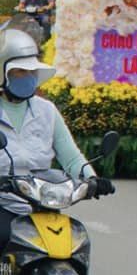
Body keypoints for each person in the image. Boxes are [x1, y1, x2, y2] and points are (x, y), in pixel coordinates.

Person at [0, 30, 111, 230]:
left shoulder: (46, 110)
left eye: (32, 71)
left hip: (43, 205)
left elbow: (71, 157)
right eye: (20, 72)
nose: (28, 77)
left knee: (76, 243)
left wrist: (92, 179)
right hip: (4, 205)